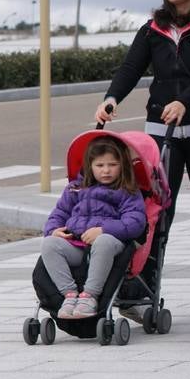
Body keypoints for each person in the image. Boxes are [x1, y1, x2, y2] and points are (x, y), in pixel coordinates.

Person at [97, 0, 190, 231]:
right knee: (157, 213)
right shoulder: (152, 29)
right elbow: (130, 68)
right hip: (161, 135)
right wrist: (111, 98)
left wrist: (184, 101)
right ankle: (150, 274)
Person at [42, 136, 146, 320]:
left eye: (112, 164)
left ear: (122, 165)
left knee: (104, 242)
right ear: (90, 166)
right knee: (49, 244)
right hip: (78, 245)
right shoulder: (75, 189)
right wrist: (53, 230)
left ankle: (90, 295)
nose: (106, 170)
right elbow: (59, 213)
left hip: (111, 245)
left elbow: (136, 221)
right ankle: (70, 295)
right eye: (100, 166)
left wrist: (103, 229)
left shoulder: (126, 190)